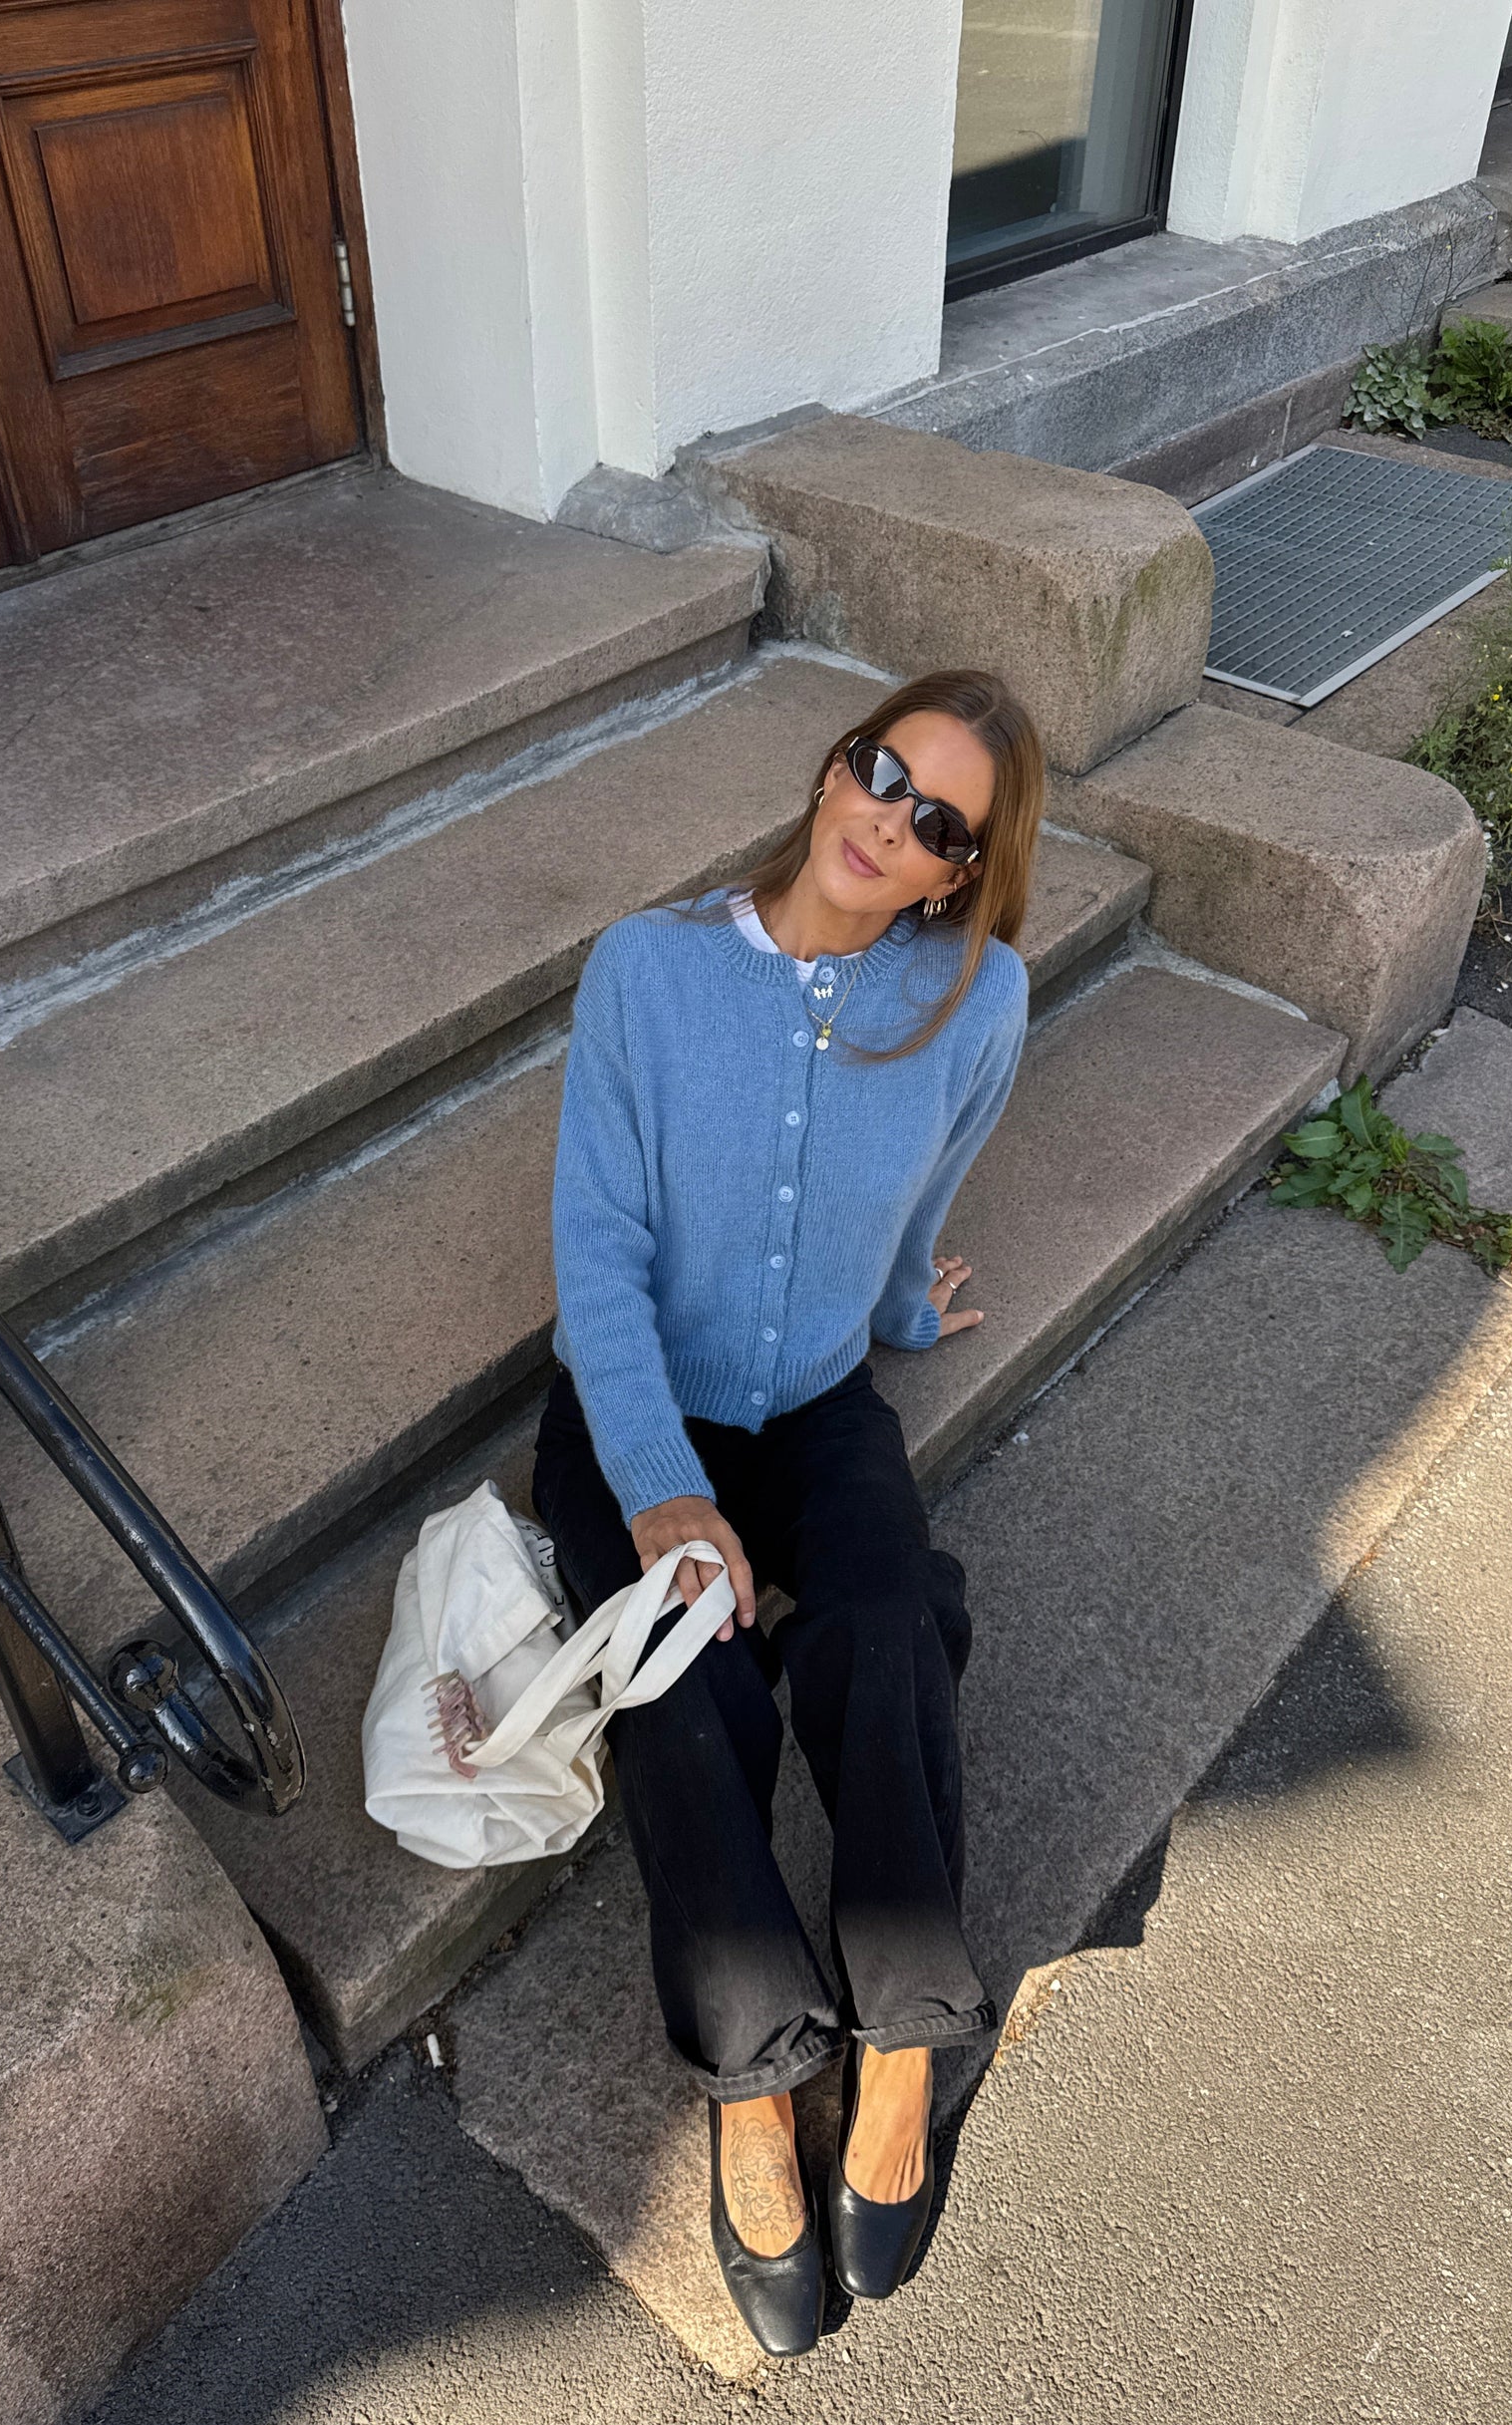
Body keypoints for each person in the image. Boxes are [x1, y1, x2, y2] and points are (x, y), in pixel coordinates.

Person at [531, 667, 1045, 2357]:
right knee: (685, 1688)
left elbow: (928, 1192)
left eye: (933, 821)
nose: (883, 819)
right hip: (636, 1415)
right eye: (877, 771)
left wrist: (906, 1311)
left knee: (889, 1614)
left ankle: (898, 2037)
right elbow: (595, 1256)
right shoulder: (650, 968)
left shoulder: (976, 1000)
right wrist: (664, 1491)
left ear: (959, 869)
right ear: (835, 761)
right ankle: (757, 2082)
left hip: (816, 1400)